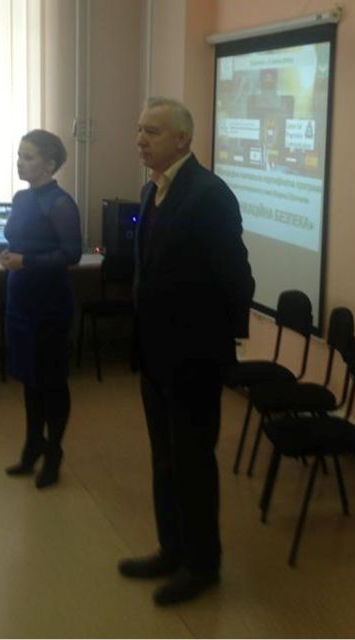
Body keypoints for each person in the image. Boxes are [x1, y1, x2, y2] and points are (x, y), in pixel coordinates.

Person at [119, 97, 255, 606]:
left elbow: (237, 279)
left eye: (152, 132)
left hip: (194, 359)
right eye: (139, 130)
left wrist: (218, 345)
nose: (140, 140)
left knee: (193, 463)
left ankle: (202, 565)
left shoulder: (209, 195)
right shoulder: (152, 189)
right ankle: (170, 549)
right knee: (164, 459)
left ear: (182, 139)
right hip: (155, 354)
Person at [1, 129, 83, 489]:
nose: (20, 162)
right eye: (19, 155)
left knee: (51, 382)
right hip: (20, 298)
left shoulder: (61, 204)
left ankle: (54, 452)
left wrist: (26, 260)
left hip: (48, 305)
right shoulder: (22, 198)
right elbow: (22, 240)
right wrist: (13, 256)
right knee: (29, 379)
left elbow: (71, 254)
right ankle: (32, 444)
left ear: (49, 164)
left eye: (28, 157)